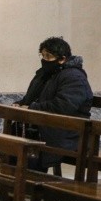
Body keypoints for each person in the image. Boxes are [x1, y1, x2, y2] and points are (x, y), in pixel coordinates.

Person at [14, 37, 93, 172]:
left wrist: (32, 108)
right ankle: (14, 180)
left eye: (48, 56)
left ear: (62, 59)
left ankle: (30, 182)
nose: (44, 60)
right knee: (12, 141)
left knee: (28, 148)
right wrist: (19, 104)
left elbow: (63, 106)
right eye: (42, 55)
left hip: (67, 134)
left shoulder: (74, 77)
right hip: (46, 128)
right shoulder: (44, 74)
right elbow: (31, 98)